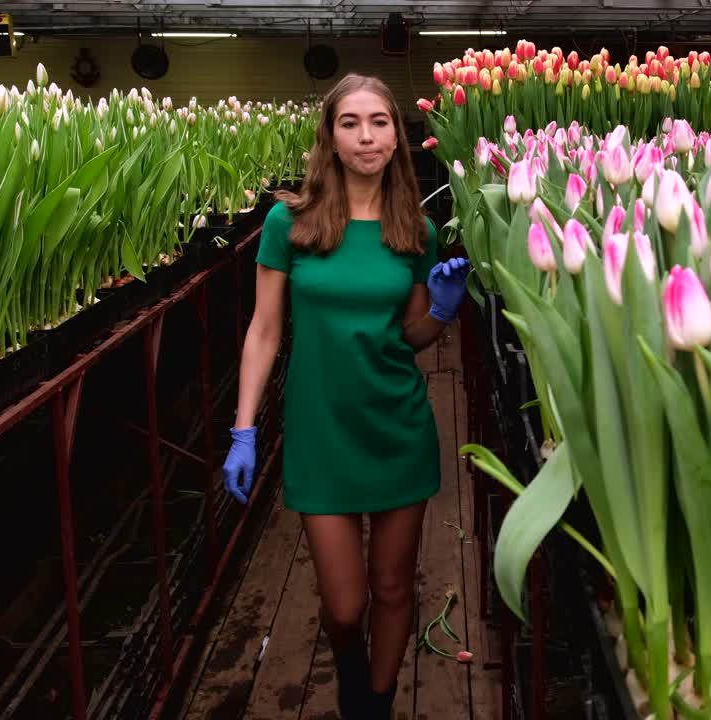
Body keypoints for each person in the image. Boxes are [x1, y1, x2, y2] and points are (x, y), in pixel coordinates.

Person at [219, 73, 472, 719]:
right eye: (351, 122)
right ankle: (355, 679)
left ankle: (373, 706)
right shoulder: (290, 222)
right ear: (329, 136)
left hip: (397, 424)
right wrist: (243, 428)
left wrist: (441, 310)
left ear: (397, 135)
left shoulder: (416, 228)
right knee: (344, 604)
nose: (366, 136)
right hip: (321, 429)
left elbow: (412, 334)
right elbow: (264, 329)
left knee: (392, 588)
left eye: (380, 122)